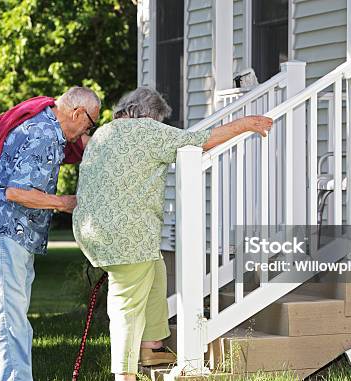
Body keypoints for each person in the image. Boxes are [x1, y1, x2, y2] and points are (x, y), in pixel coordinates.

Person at [72, 87, 273, 381]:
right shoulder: (148, 131)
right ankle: (124, 374)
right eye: (159, 120)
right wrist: (246, 124)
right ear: (151, 115)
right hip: (128, 237)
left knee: (155, 269)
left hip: (95, 232)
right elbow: (199, 142)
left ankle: (152, 345)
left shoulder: (104, 133)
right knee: (126, 304)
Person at [0, 86, 101, 381]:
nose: (85, 132)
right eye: (89, 124)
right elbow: (16, 192)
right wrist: (64, 203)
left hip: (14, 230)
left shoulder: (49, 128)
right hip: (5, 228)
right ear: (77, 113)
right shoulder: (42, 135)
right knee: (8, 317)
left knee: (13, 314)